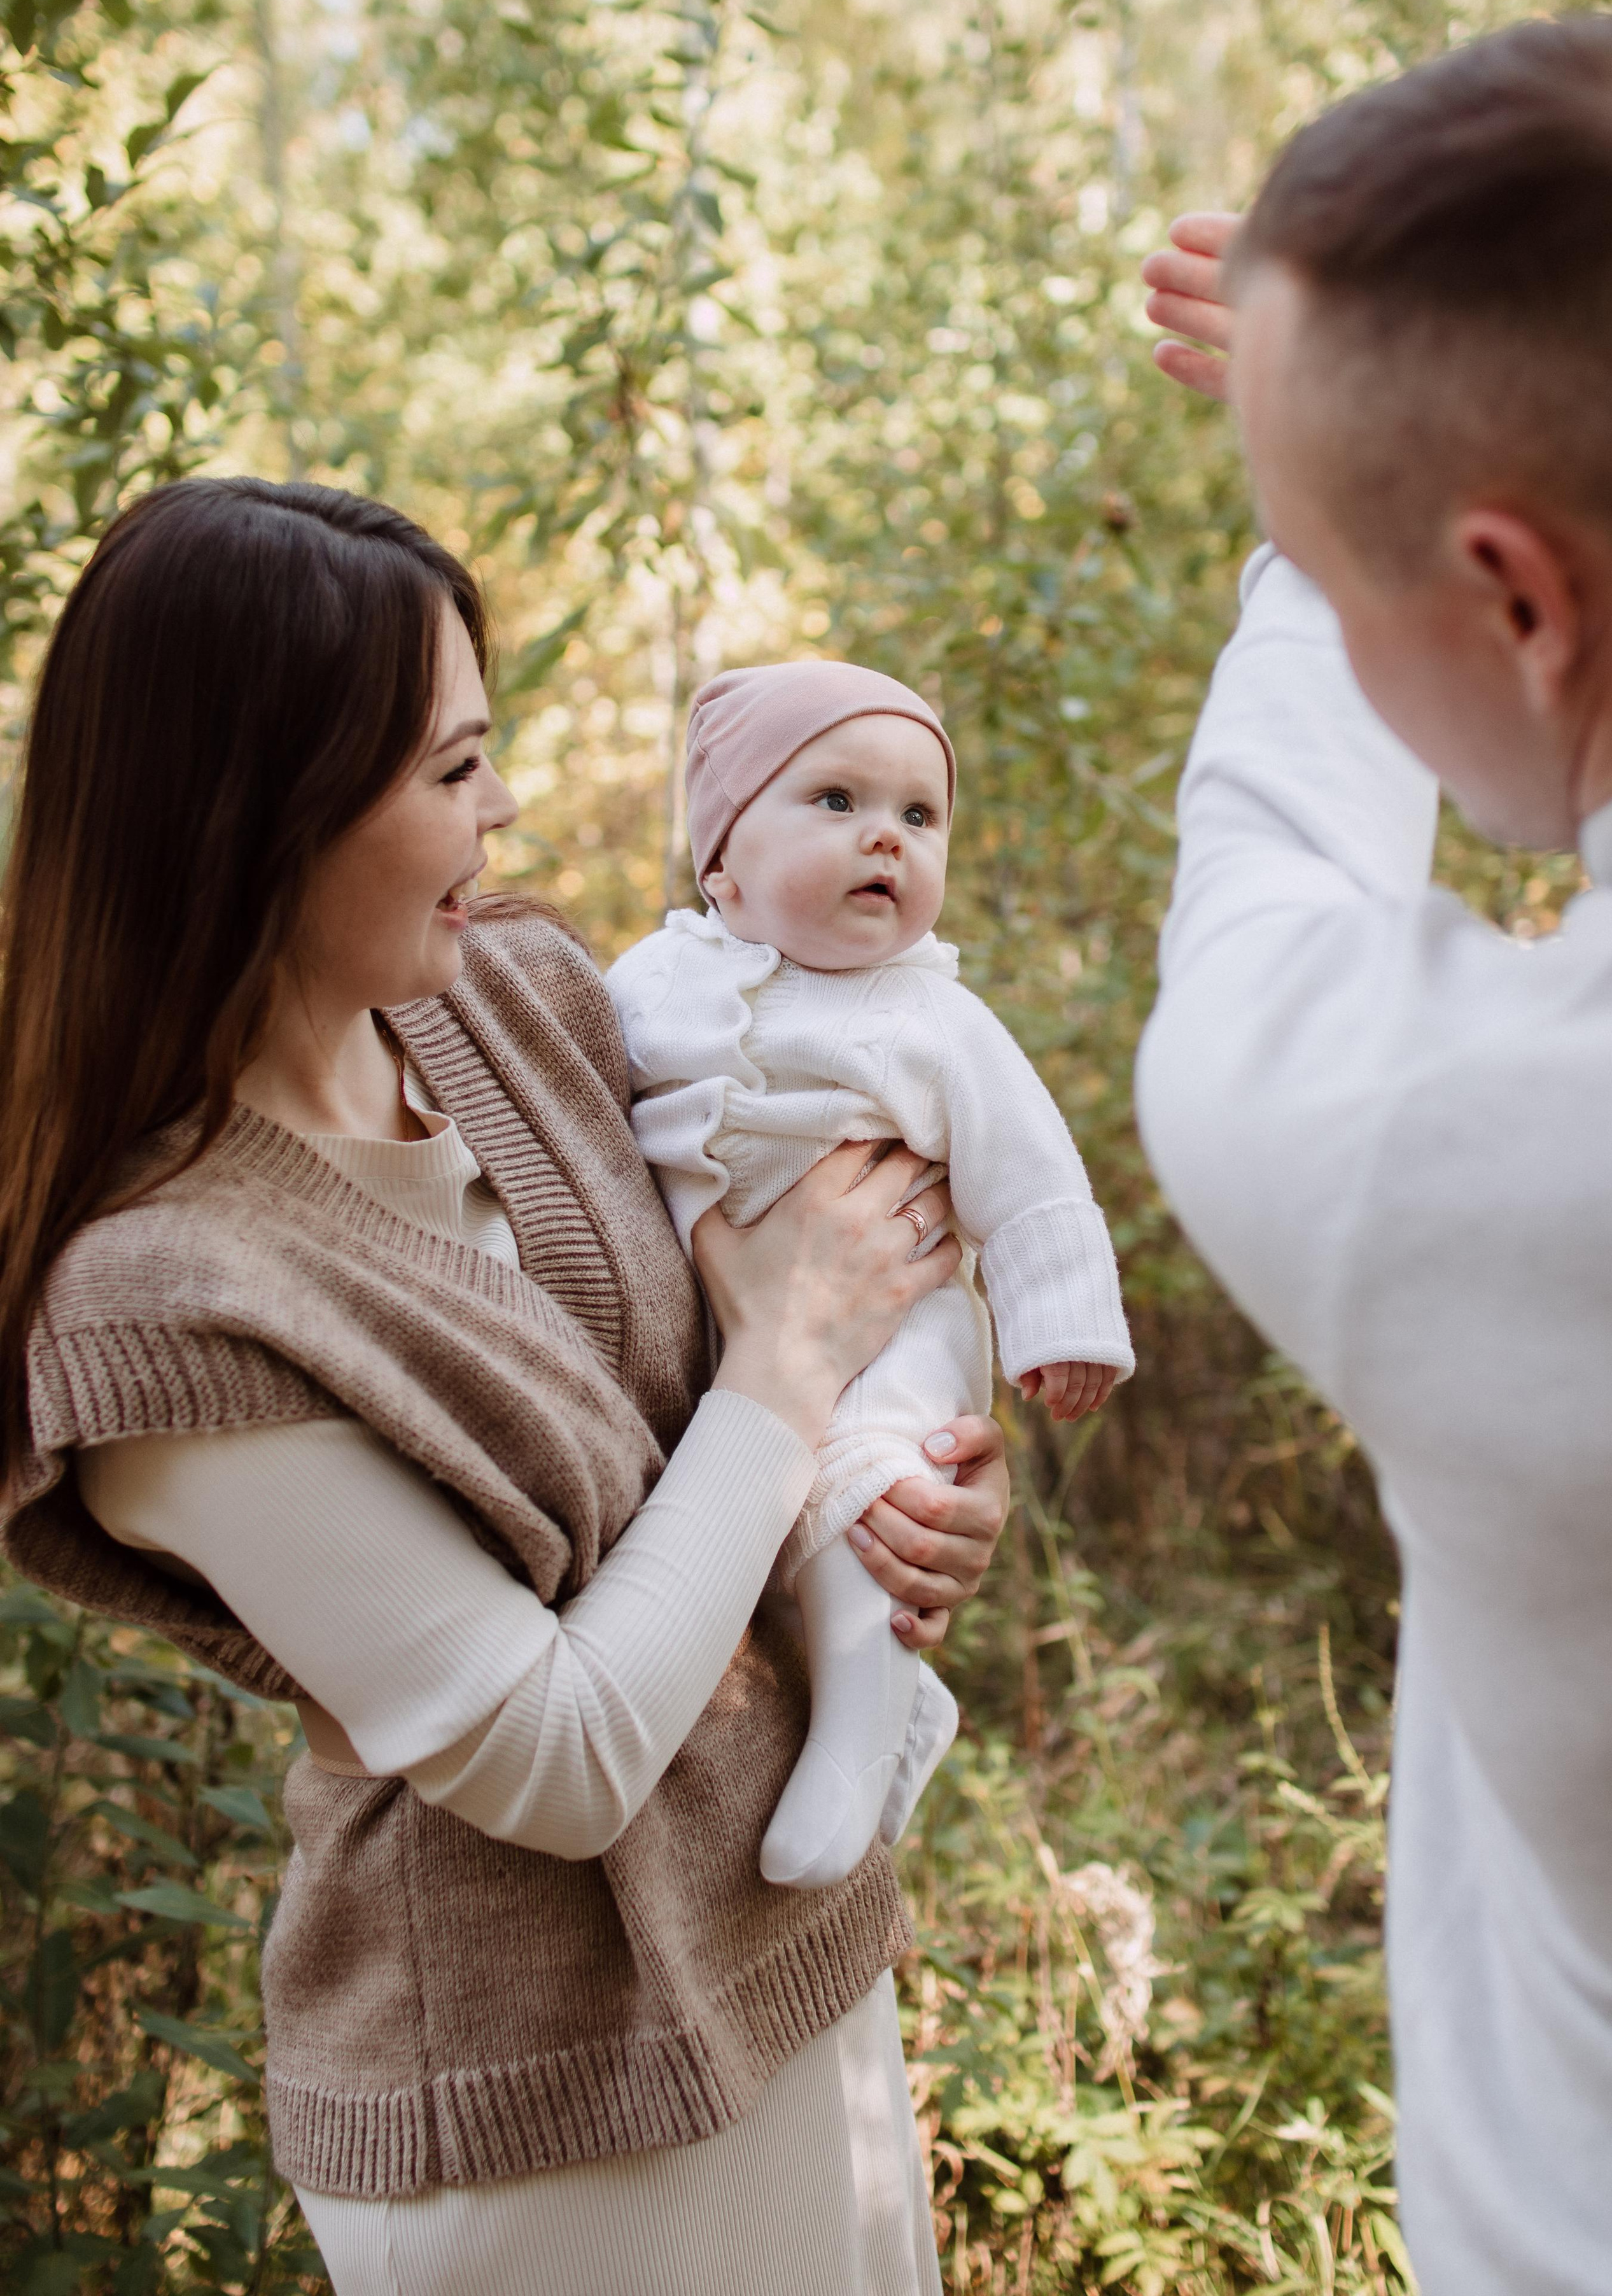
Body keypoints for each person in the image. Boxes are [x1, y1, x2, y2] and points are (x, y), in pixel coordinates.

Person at [0, 476, 1015, 2296]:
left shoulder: (521, 998)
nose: (512, 811)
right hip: (536, 2115)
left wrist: (908, 1468)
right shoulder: (162, 1296)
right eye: (455, 771)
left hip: (798, 1968)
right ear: (265, 813)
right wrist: (789, 1375)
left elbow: (773, 1329)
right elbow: (555, 1758)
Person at [1135, 17, 1612, 2294]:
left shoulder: (1465, 1148)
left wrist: (1312, 498)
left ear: (1522, 599)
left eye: (1358, 587)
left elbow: (1269, 881)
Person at [606, 659, 1133, 1889]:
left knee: (870, 1497)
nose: (884, 839)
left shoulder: (933, 1019)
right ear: (722, 862)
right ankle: (882, 1714)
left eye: (918, 815)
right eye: (835, 802)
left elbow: (1031, 1173)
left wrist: (1062, 1321)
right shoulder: (646, 983)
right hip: (720, 1335)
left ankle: (860, 1732)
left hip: (896, 1329)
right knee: (739, 1521)